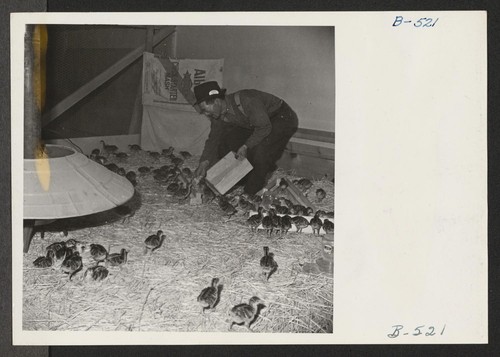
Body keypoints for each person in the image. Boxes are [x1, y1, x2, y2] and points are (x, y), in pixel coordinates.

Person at [193, 81, 298, 195]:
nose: (206, 114)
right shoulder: (217, 115)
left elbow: (264, 128)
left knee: (261, 152)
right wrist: (204, 162)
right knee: (225, 144)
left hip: (281, 117)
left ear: (217, 101)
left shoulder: (247, 100)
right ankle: (242, 179)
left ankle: (250, 194)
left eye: (205, 109)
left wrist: (245, 145)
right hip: (256, 122)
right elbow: (213, 138)